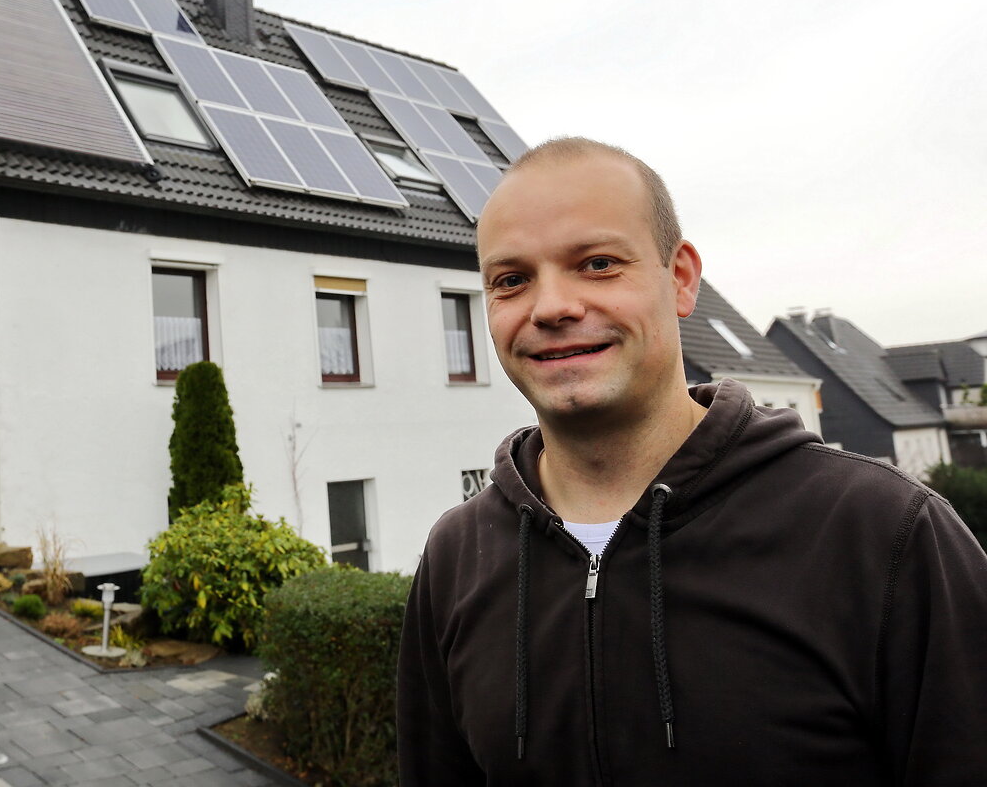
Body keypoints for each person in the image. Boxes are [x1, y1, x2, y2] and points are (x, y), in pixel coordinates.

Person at [398, 137, 987, 785]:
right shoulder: (458, 558)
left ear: (679, 278)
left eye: (596, 264)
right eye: (511, 280)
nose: (551, 307)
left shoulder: (883, 534)